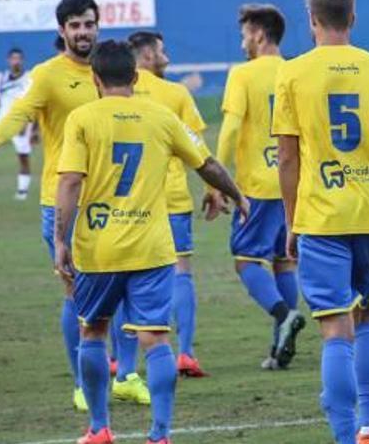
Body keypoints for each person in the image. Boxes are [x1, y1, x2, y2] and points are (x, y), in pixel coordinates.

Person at [54, 39, 248, 444]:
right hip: (152, 247)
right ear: (136, 76)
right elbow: (207, 163)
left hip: (99, 247)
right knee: (156, 339)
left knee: (93, 331)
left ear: (95, 79)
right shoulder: (161, 117)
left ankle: (99, 429)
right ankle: (160, 435)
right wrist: (238, 195)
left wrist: (60, 238)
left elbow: (70, 180)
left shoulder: (83, 119)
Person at [273, 0, 369, 444]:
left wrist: (291, 221)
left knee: (335, 329)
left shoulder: (291, 73)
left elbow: (287, 157)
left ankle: (345, 434)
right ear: (352, 17)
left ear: (311, 19)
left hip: (321, 216)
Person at [0, 0, 101, 412]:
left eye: (88, 23)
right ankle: (80, 381)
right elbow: (17, 116)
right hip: (63, 202)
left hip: (111, 200)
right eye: (74, 26)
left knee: (120, 293)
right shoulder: (48, 76)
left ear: (97, 25)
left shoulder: (111, 68)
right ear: (62, 31)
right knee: (76, 295)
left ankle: (124, 374)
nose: (82, 32)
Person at [206, 4, 306, 371]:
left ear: (260, 34)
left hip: (258, 186)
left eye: (245, 33)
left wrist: (216, 182)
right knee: (284, 260)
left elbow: (231, 130)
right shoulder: (296, 71)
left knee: (245, 259)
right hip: (293, 182)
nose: (243, 40)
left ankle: (284, 316)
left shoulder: (243, 74)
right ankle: (280, 344)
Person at [129, 30, 210, 378]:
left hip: (131, 201)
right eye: (162, 51)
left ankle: (124, 361)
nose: (167, 56)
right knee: (181, 272)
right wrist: (215, 186)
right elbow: (196, 146)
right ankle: (186, 353)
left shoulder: (117, 93)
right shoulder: (175, 93)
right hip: (173, 197)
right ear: (147, 55)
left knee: (128, 277)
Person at [0, 48, 33, 200]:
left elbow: (32, 103)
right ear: (9, 60)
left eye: (19, 58)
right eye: (13, 58)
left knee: (23, 157)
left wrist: (29, 125)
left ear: (22, 60)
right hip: (1, 121)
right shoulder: (0, 78)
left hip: (21, 122)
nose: (16, 61)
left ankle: (22, 191)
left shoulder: (29, 78)